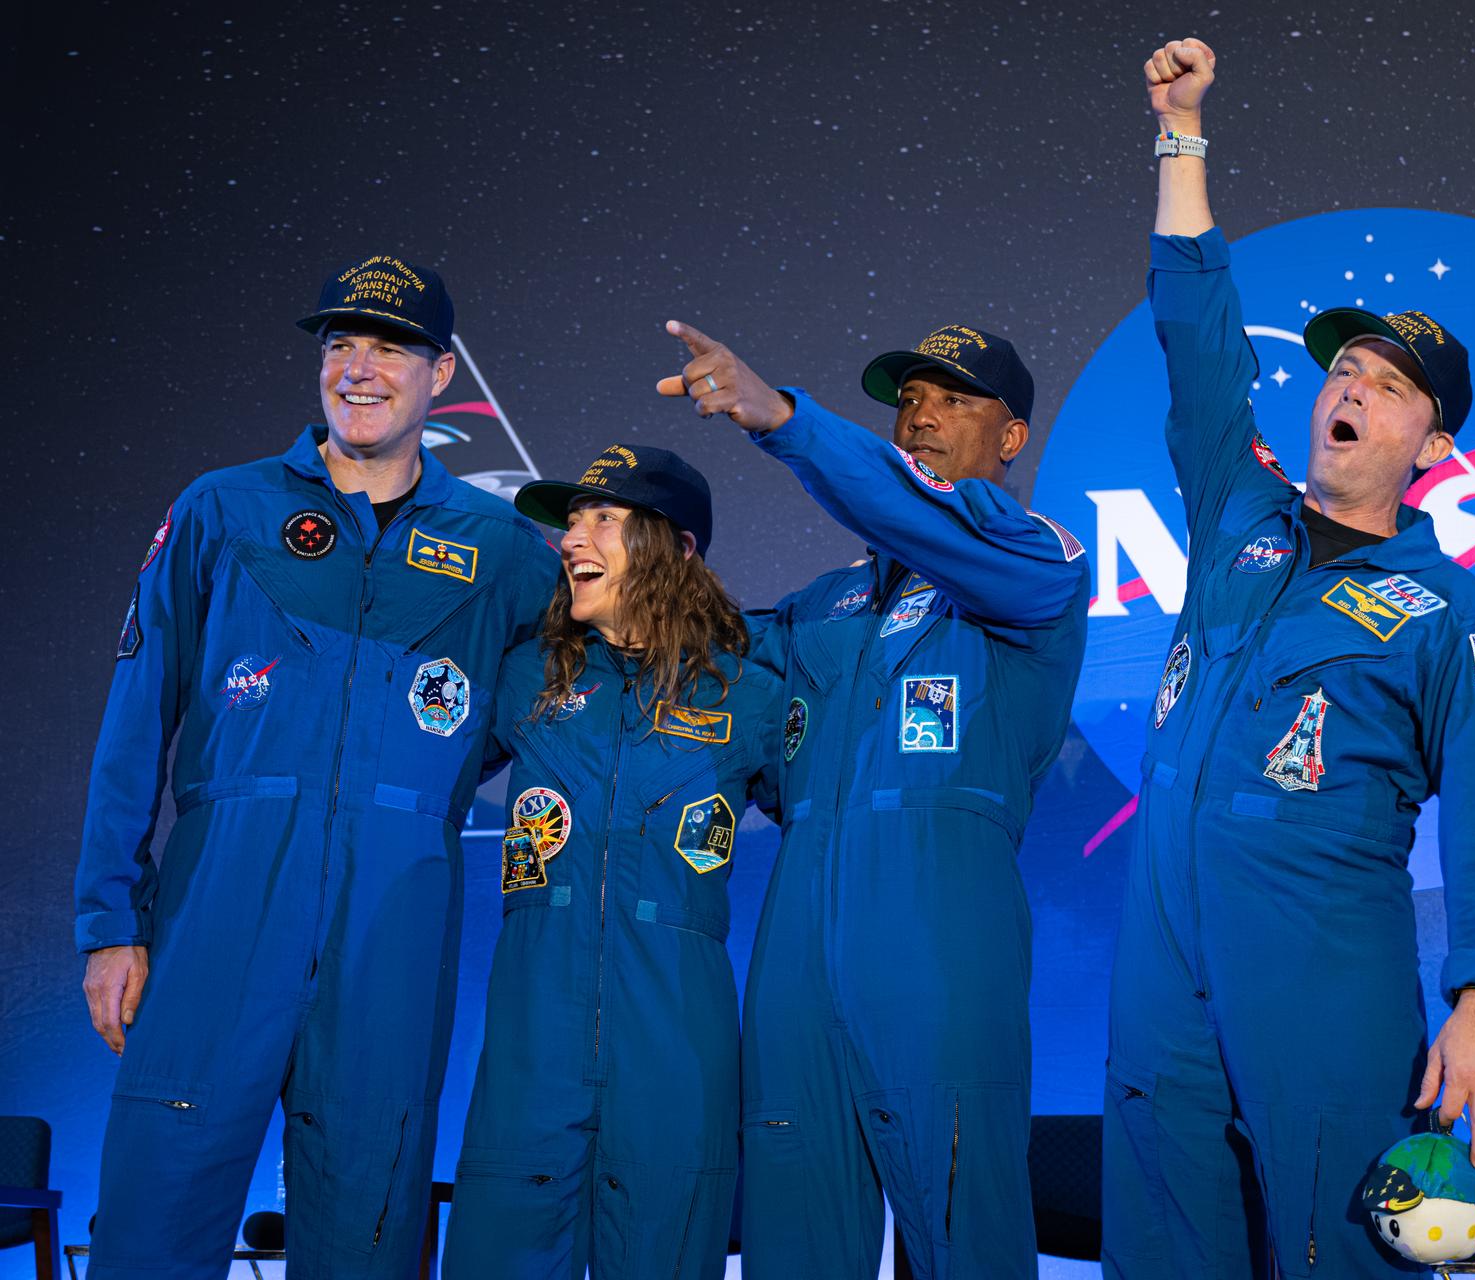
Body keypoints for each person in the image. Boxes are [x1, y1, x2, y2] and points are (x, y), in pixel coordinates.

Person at [1100, 40, 1475, 1279]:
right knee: (1161, 1242)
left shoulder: (1444, 607)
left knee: (1337, 1250)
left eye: (1390, 384)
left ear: (1432, 437)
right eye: (1343, 369)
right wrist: (1182, 133)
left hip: (1321, 967)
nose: (1351, 387)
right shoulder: (1237, 518)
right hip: (1163, 964)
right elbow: (1199, 339)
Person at [74, 256, 555, 1278]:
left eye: (389, 346)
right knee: (156, 1213)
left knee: (366, 1217)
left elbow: (542, 712)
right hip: (223, 896)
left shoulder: (504, 545)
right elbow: (134, 719)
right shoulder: (222, 509)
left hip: (397, 910)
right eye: (341, 344)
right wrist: (111, 921)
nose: (360, 367)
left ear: (438, 372)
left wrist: (423, 775)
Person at [656, 320, 1090, 1278]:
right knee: (793, 1236)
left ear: (1011, 438)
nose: (921, 414)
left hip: (939, 943)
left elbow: (910, 511)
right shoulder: (816, 607)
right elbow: (735, 735)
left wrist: (782, 419)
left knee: (960, 1235)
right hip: (797, 950)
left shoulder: (1037, 565)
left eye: (954, 399)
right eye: (908, 398)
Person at [442, 443, 782, 1278]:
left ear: (677, 547)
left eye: (605, 518)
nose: (572, 538)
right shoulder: (525, 676)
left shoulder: (753, 694)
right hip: (532, 1050)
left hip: (675, 1051)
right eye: (572, 519)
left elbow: (834, 839)